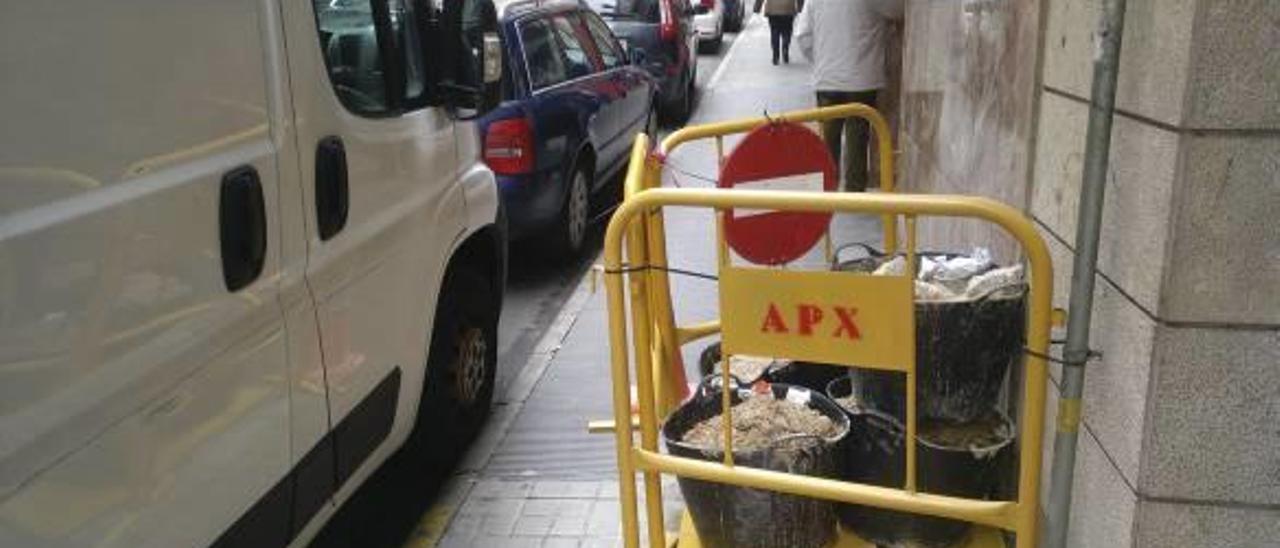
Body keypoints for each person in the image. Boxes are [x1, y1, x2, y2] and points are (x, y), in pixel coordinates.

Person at [795, 0, 902, 192]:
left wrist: (821, 60)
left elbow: (803, 36)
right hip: (862, 79)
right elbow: (899, 10)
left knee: (828, 138)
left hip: (827, 79)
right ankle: (854, 191)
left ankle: (829, 187)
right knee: (857, 138)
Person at [756, 0, 801, 65]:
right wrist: (800, 8)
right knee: (787, 31)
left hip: (773, 10)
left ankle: (775, 56)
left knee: (774, 32)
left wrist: (757, 8)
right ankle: (785, 47)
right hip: (788, 8)